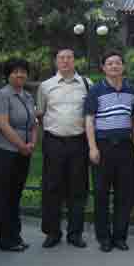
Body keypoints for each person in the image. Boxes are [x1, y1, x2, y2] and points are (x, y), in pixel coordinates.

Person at [36, 48, 91, 249]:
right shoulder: (45, 86)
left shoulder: (86, 84)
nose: (65, 61)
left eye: (69, 57)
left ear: (74, 61)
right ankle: (52, 233)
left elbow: (91, 115)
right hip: (54, 142)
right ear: (56, 62)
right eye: (61, 58)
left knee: (78, 189)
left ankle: (75, 234)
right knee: (52, 188)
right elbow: (40, 114)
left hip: (79, 142)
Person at [85, 50, 134, 252]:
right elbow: (89, 120)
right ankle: (104, 237)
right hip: (103, 146)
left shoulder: (132, 91)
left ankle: (120, 236)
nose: (114, 66)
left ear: (123, 66)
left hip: (125, 147)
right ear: (103, 68)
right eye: (110, 63)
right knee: (101, 194)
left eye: (117, 63)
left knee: (124, 194)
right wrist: (92, 147)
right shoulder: (96, 90)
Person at [0, 58, 37, 252]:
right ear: (8, 75)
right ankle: (6, 240)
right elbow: (3, 124)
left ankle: (15, 235)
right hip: (5, 152)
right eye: (15, 71)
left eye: (23, 71)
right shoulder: (1, 96)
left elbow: (33, 123)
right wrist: (21, 146)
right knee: (4, 195)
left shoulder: (27, 96)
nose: (20, 75)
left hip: (24, 152)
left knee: (15, 195)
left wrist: (32, 143)